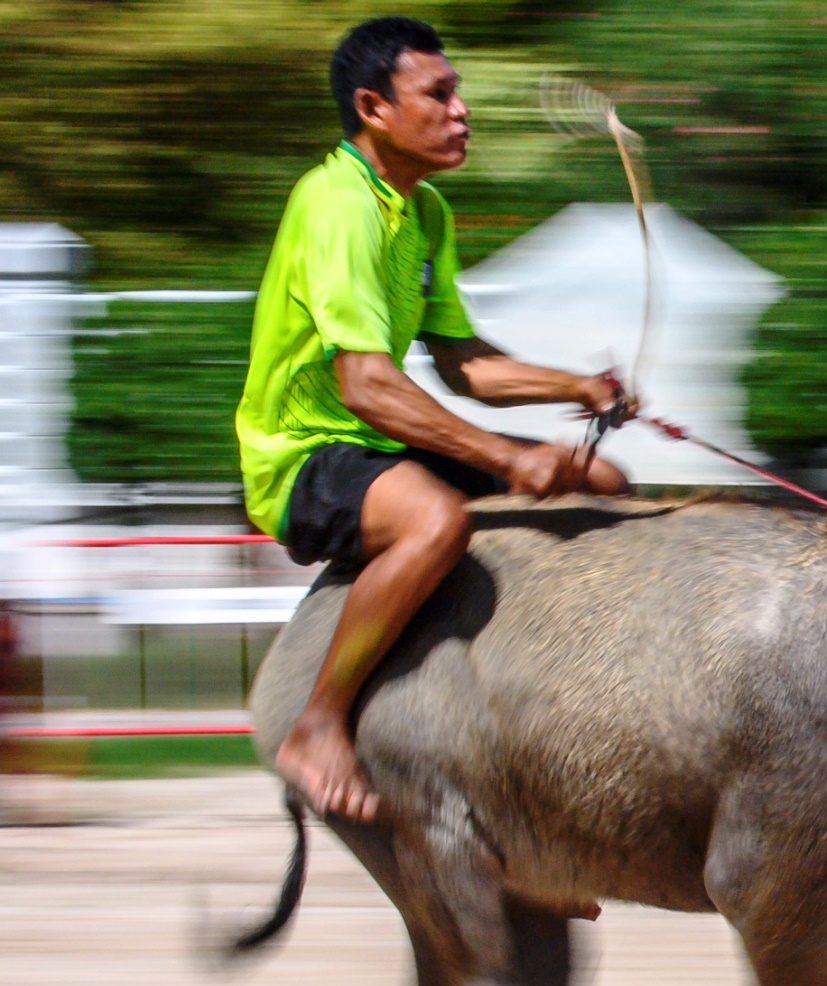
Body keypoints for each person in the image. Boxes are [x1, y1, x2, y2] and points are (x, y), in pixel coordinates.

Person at [235, 16, 634, 823]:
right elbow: (366, 386)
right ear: (374, 107)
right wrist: (500, 456)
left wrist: (580, 388)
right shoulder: (335, 204)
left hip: (380, 443)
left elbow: (464, 365)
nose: (461, 112)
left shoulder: (425, 213)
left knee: (604, 481)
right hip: (305, 455)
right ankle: (318, 724)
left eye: (459, 95)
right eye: (440, 95)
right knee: (434, 521)